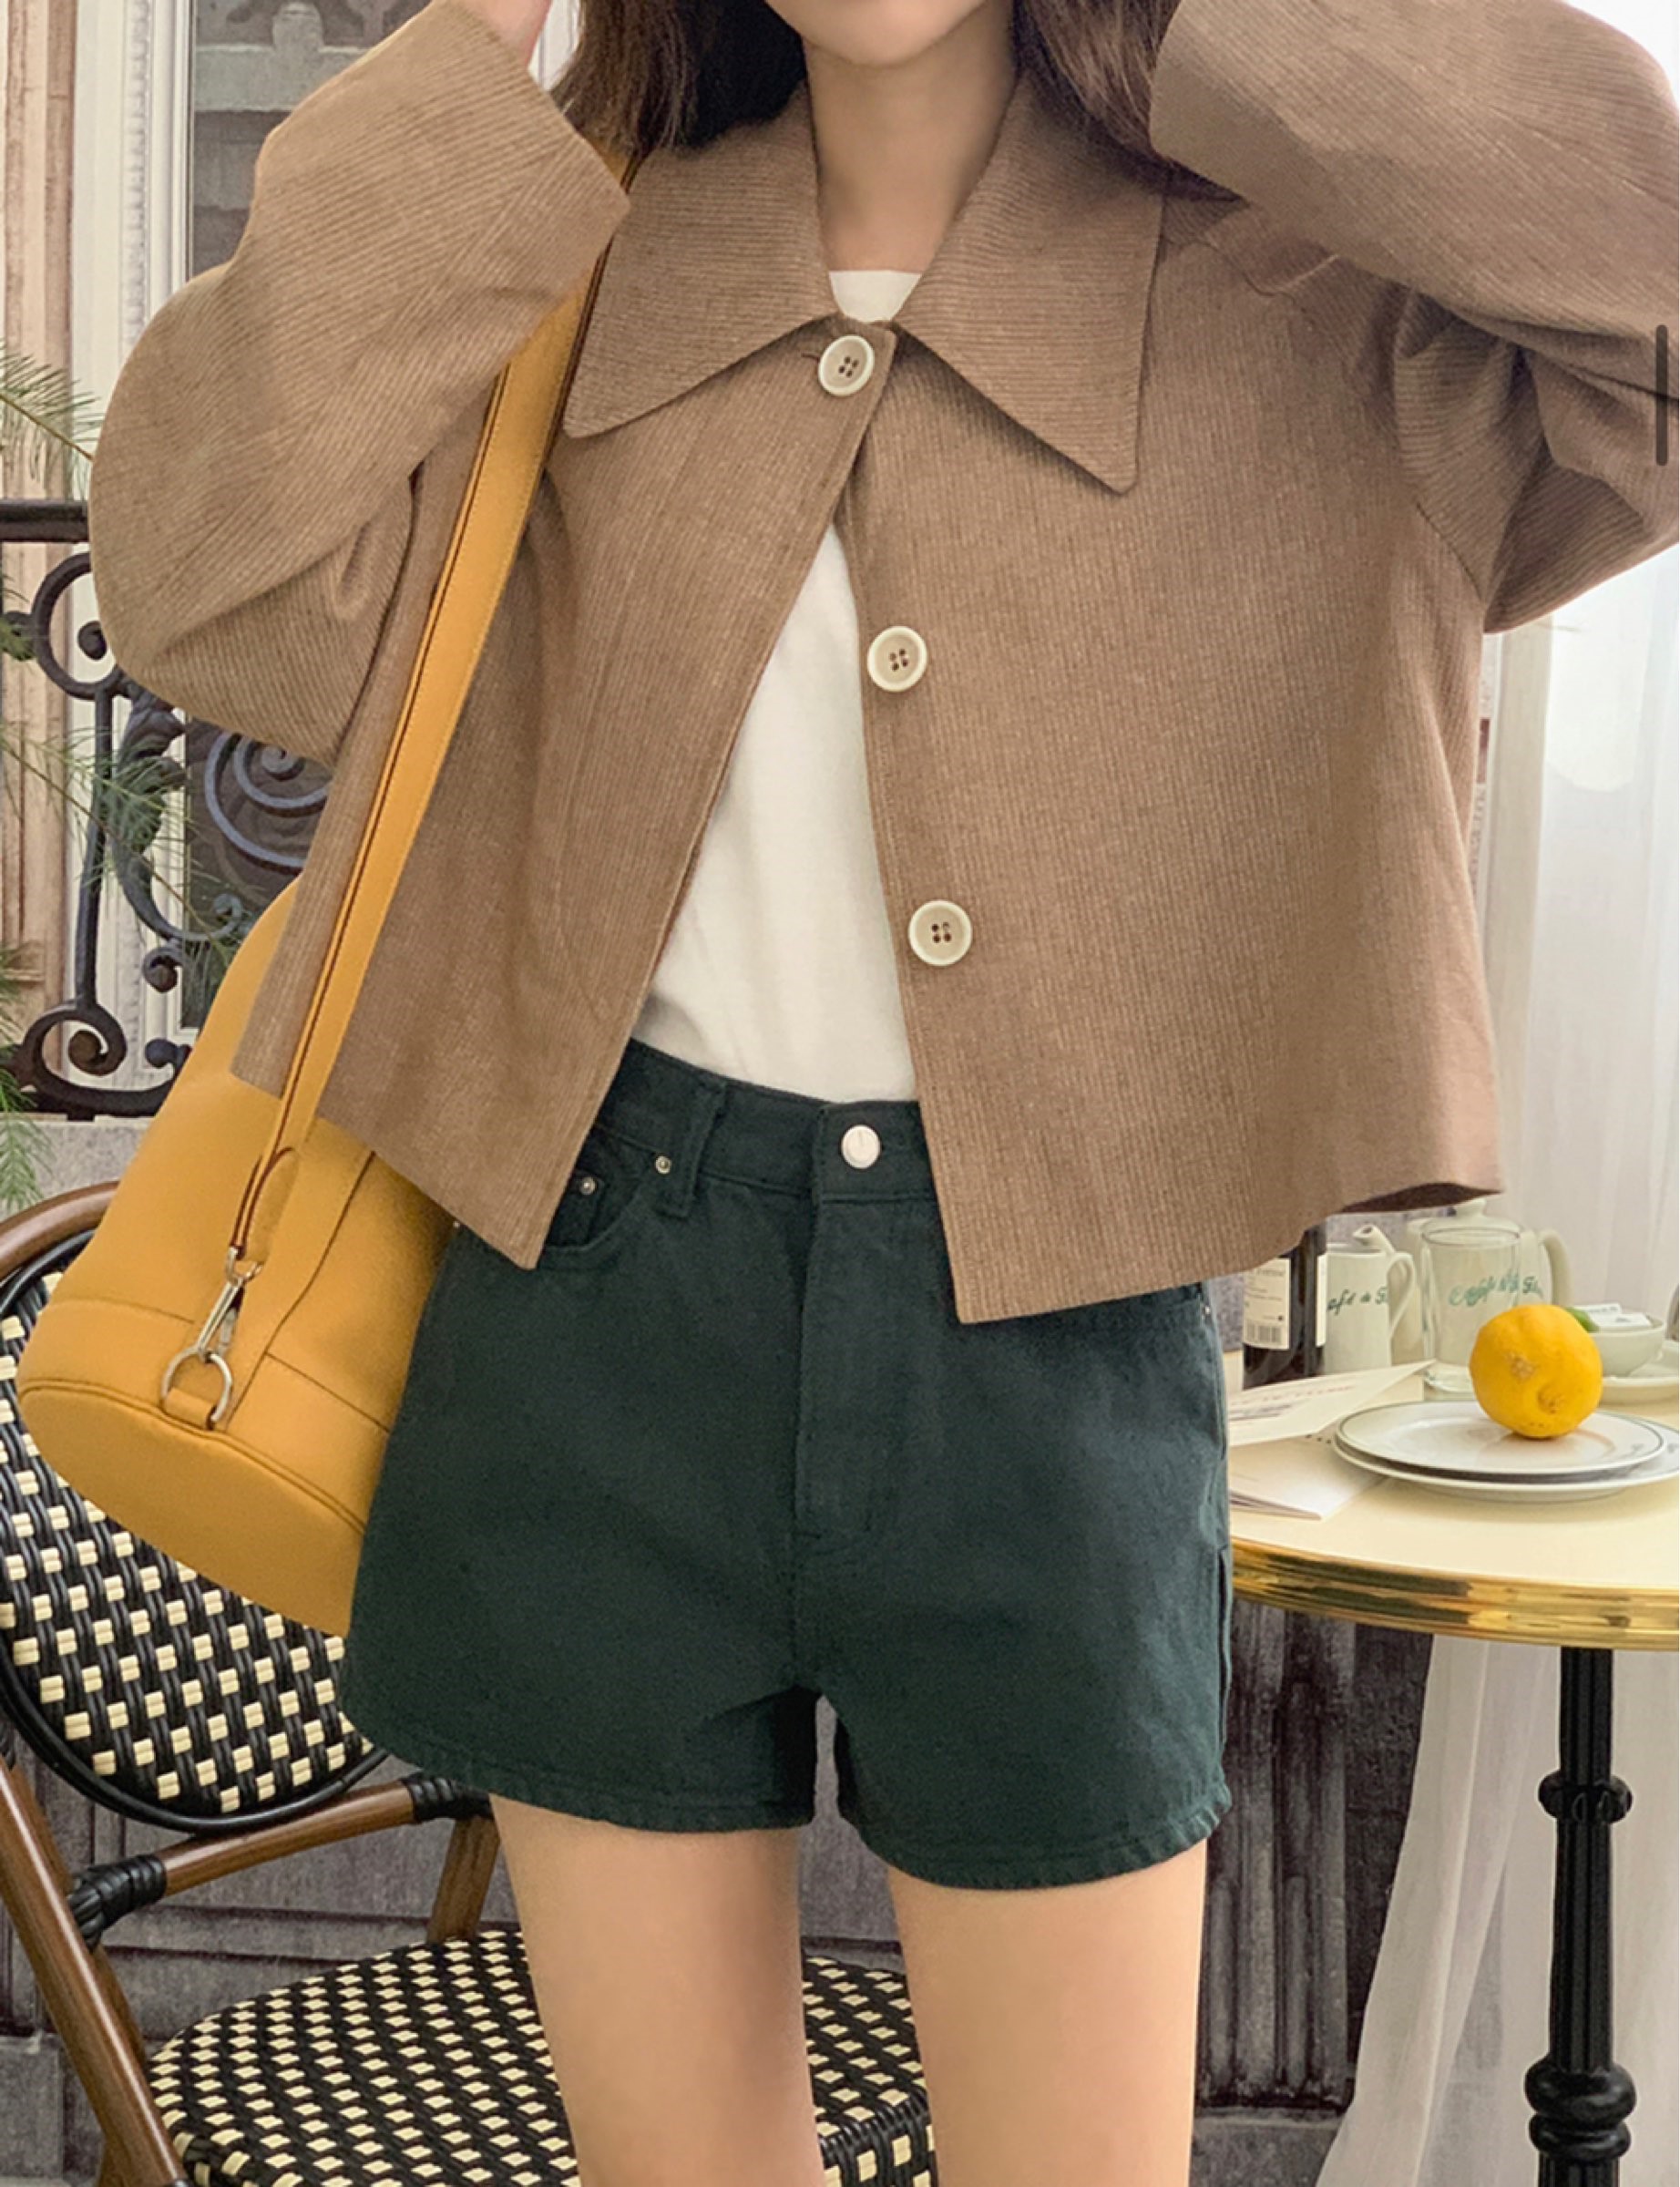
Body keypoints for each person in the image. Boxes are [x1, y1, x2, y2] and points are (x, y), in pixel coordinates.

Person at [85, 0, 1677, 2181]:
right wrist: (482, 39)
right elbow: (203, 583)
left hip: (1047, 1351)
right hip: (589, 1313)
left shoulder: (1300, 298)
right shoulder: (573, 249)